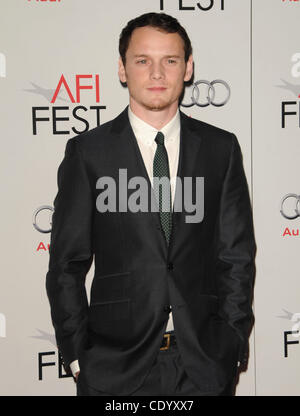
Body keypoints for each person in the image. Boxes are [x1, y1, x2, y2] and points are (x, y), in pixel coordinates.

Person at [46, 12, 256, 396]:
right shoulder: (88, 153)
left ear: (188, 68)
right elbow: (66, 265)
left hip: (204, 365)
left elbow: (236, 257)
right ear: (123, 69)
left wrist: (232, 342)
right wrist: (77, 355)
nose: (156, 73)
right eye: (143, 60)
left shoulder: (220, 149)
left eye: (170, 60)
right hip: (115, 368)